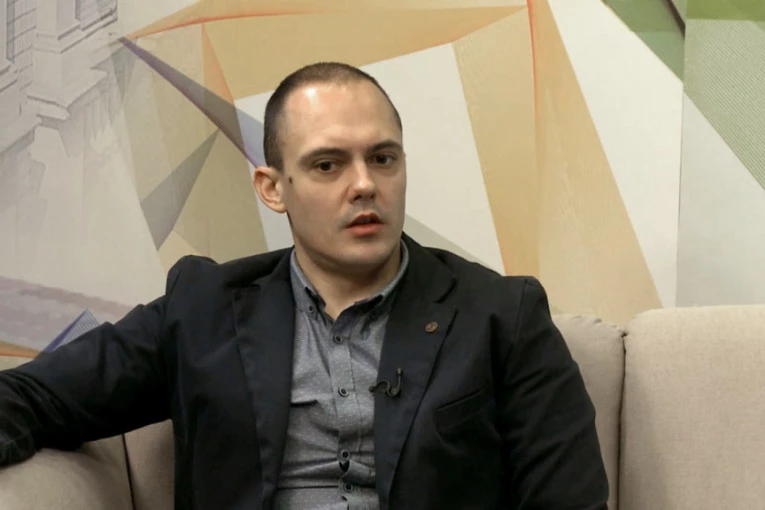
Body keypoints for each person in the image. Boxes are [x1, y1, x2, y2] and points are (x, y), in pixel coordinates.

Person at [0, 62, 609, 509]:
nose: (364, 184)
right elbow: (35, 398)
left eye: (383, 158)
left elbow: (568, 499)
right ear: (273, 188)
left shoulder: (501, 314)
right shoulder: (203, 310)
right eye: (328, 164)